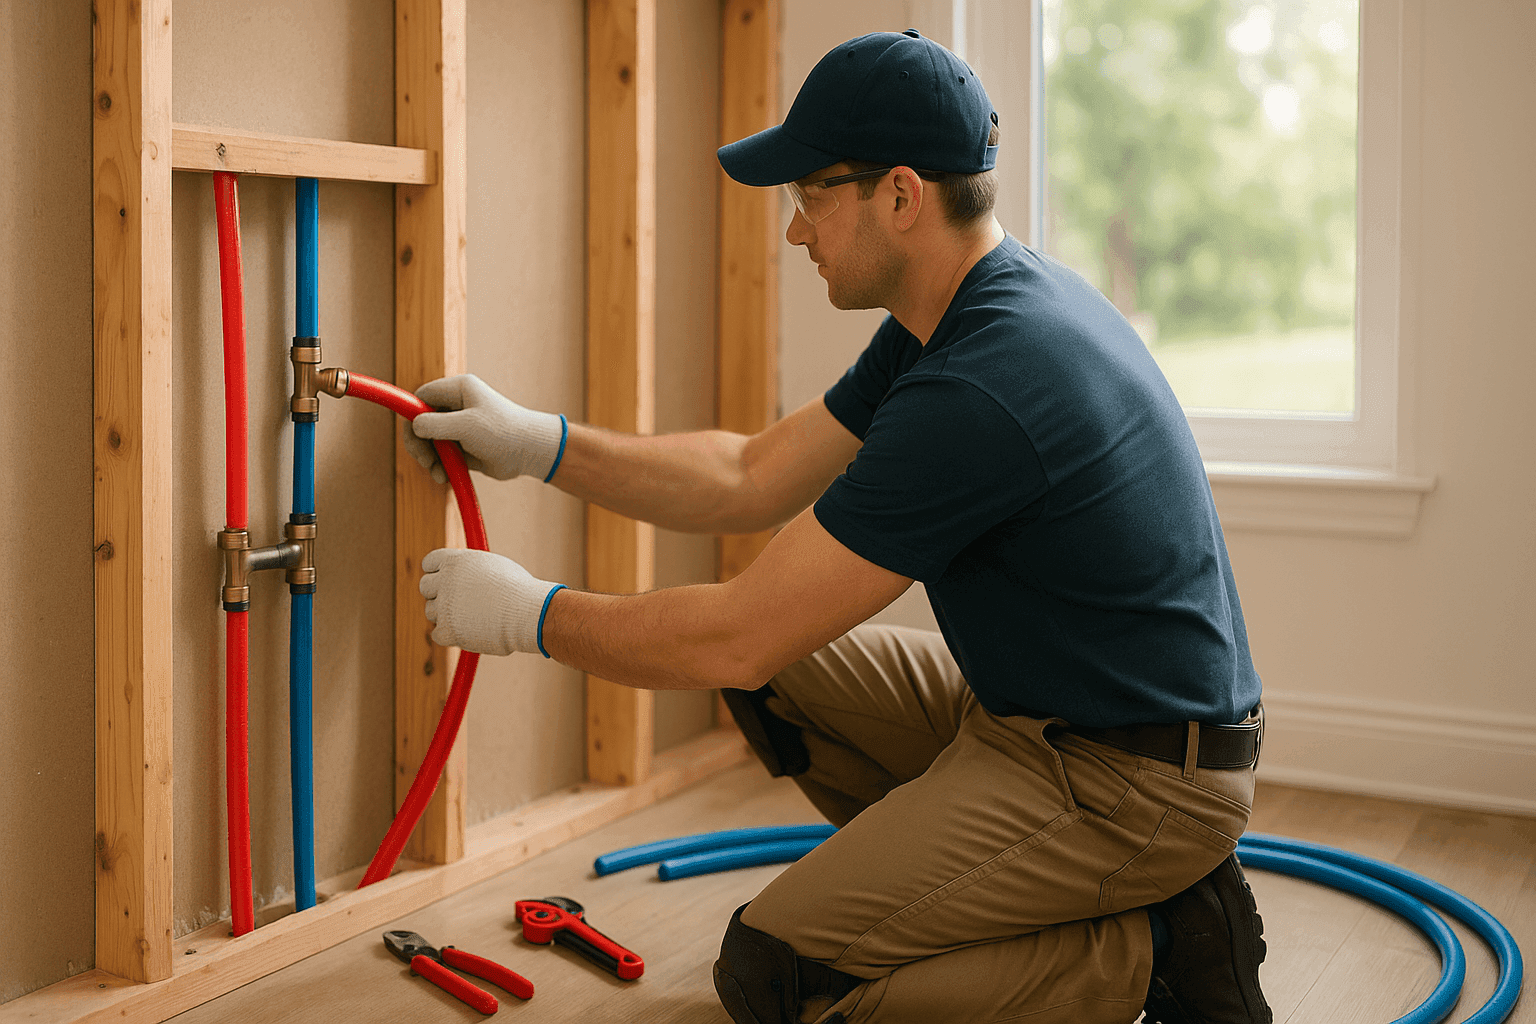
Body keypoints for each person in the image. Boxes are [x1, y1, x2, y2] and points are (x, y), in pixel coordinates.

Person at [406, 28, 1270, 1024]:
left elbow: (738, 628)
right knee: (774, 681)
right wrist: (539, 442)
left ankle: (1153, 950)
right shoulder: (949, 315)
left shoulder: (984, 382)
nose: (794, 230)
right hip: (1033, 712)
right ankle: (984, 887)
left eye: (811, 194)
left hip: (1134, 779)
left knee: (780, 975)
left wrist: (532, 616)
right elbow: (748, 473)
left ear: (901, 196)